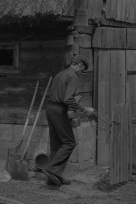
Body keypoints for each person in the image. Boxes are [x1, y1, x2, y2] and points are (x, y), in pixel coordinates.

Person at [41, 54, 96, 187]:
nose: (81, 72)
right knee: (69, 142)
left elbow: (60, 95)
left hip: (50, 109)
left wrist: (71, 101)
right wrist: (85, 109)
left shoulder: (60, 74)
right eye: (82, 70)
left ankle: (54, 178)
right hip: (59, 111)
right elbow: (67, 99)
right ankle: (51, 169)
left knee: (56, 145)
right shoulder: (73, 76)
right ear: (80, 65)